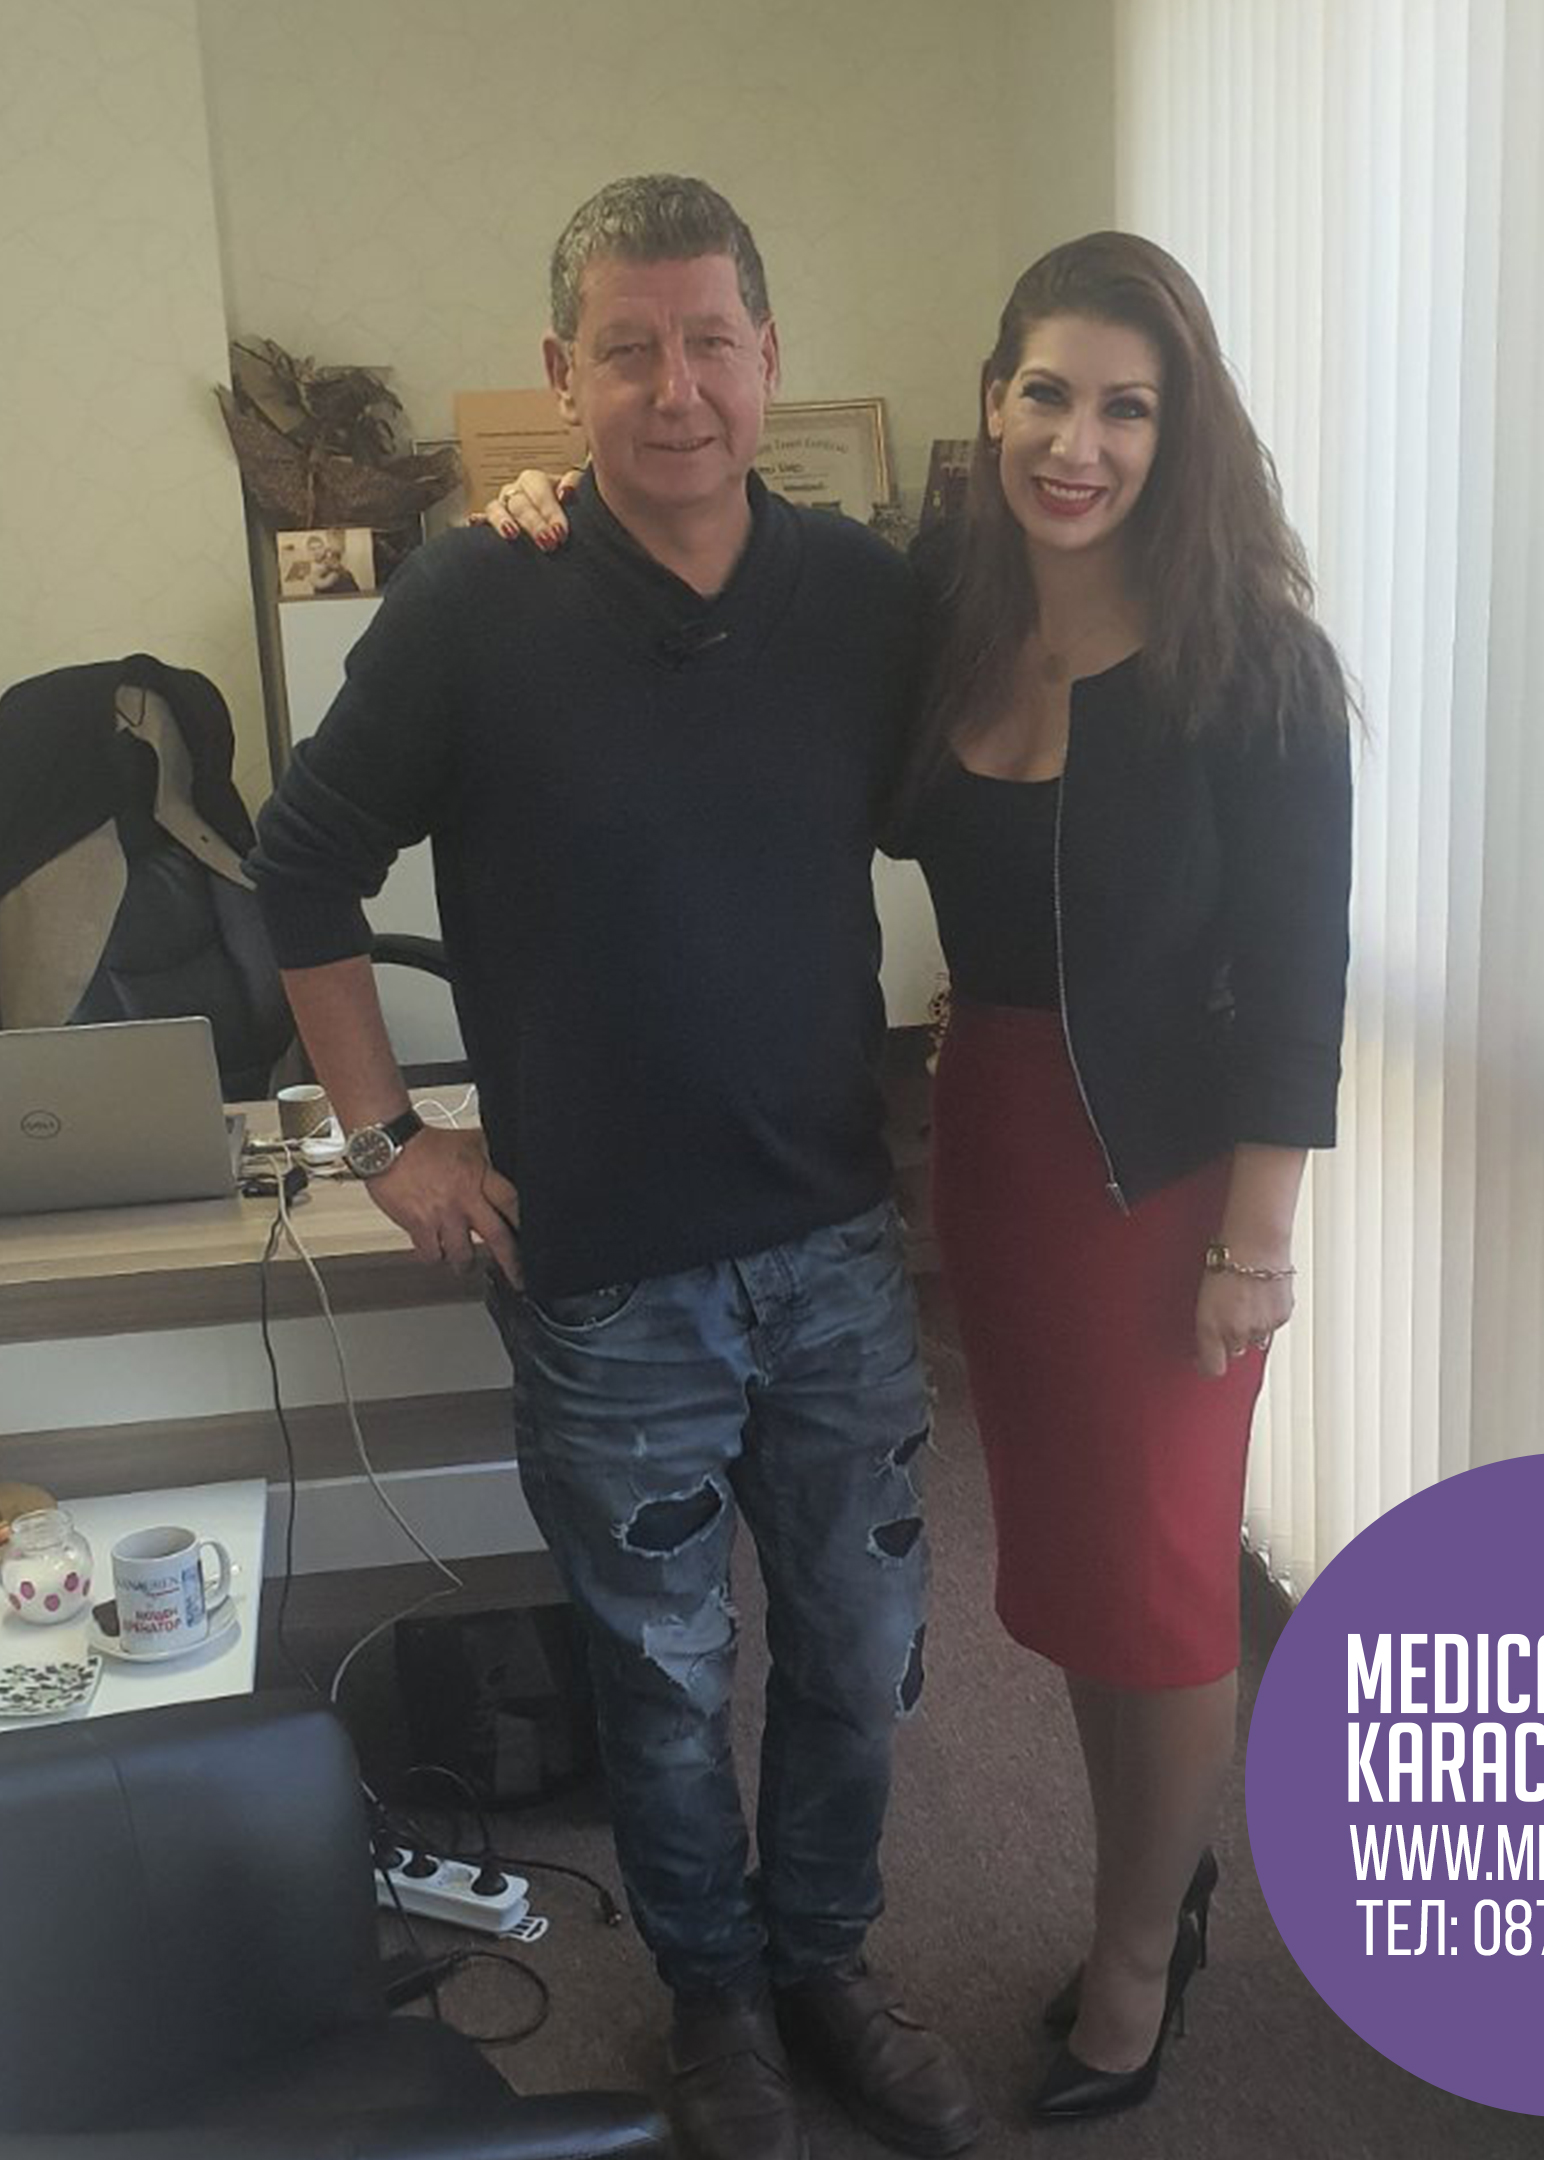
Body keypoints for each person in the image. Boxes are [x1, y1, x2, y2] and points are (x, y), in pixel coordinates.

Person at [488, 229, 1352, 2128]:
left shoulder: (1255, 664)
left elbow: (1303, 984)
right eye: (1047, 393)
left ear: (1182, 432)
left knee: (1165, 1584)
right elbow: (720, 567)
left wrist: (1258, 1244)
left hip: (1173, 1182)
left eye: (1127, 407)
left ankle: (1140, 1955)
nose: (1079, 442)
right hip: (997, 1146)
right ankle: (1153, 1879)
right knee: (1077, 1574)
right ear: (991, 401)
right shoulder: (932, 609)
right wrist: (553, 501)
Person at [250, 175, 978, 2160]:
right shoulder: (477, 601)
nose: (678, 390)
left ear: (770, 356)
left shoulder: (868, 601)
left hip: (831, 1244)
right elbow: (300, 870)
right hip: (605, 1275)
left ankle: (823, 1965)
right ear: (563, 372)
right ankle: (714, 2001)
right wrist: (388, 1139)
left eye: (711, 342)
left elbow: (1003, 788)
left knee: (861, 1656)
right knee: (660, 1681)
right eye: (630, 350)